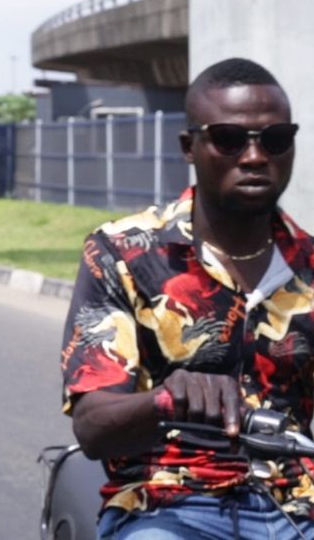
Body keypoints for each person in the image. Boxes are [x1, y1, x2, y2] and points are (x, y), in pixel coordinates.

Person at [61, 57, 314, 538]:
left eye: (275, 139)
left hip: (297, 507)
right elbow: (93, 428)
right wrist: (163, 400)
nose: (256, 156)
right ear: (189, 147)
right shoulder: (124, 254)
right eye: (230, 139)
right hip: (167, 505)